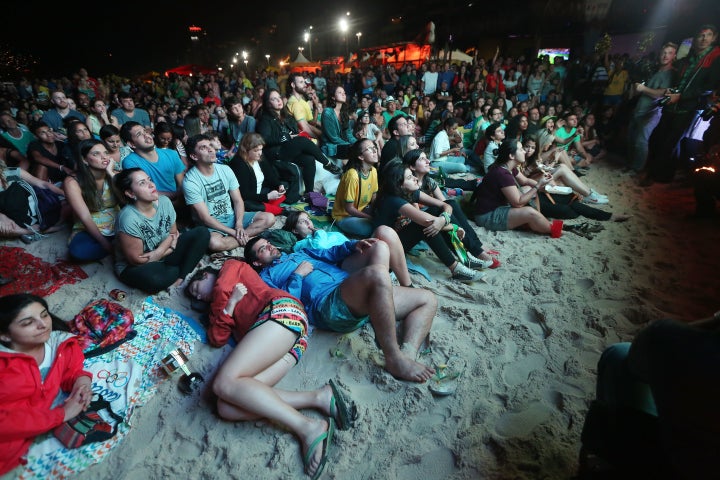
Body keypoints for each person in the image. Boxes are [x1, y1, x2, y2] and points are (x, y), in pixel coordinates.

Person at [184, 259, 354, 479]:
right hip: (290, 343)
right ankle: (318, 398)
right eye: (195, 297)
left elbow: (223, 286)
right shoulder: (222, 307)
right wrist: (229, 305)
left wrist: (226, 305)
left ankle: (307, 427)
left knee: (223, 383)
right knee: (226, 407)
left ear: (206, 275)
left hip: (282, 313)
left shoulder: (230, 267)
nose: (198, 297)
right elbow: (217, 338)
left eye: (196, 289)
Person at [245, 235, 436, 382]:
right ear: (257, 262)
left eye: (268, 242)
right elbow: (287, 304)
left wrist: (352, 245)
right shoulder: (265, 278)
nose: (270, 246)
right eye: (263, 248)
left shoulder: (298, 253)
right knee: (377, 273)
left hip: (352, 288)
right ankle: (394, 357)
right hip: (328, 304)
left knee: (428, 298)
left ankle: (408, 352)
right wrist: (297, 275)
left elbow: (328, 253)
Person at [580, 310, 720, 479]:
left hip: (679, 464)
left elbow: (644, 350)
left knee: (617, 357)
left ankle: (606, 459)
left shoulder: (665, 338)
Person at [0, 293, 93, 477]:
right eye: (27, 323)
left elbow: (71, 368)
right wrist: (61, 414)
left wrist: (81, 380)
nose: (43, 324)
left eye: (44, 314)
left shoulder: (61, 345)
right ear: (4, 335)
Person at [371, 161, 487, 282]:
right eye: (410, 177)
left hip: (403, 236)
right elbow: (427, 222)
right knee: (424, 227)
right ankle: (456, 268)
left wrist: (443, 219)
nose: (416, 179)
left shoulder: (409, 192)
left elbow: (445, 205)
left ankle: (465, 257)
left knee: (438, 210)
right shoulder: (393, 200)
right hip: (388, 247)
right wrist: (454, 227)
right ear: (399, 185)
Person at [642, 25, 720, 185]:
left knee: (669, 143)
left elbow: (709, 86)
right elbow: (679, 81)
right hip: (671, 105)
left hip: (687, 108)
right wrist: (673, 91)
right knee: (658, 138)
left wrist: (682, 96)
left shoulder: (713, 59)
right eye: (701, 35)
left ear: (714, 38)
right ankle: (663, 173)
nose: (704, 38)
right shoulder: (688, 59)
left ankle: (655, 175)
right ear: (696, 38)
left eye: (708, 35)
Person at [113, 167, 210, 293]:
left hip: (162, 252)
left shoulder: (164, 202)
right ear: (131, 193)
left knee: (202, 233)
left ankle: (180, 278)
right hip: (137, 266)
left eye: (149, 180)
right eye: (142, 183)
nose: (151, 184)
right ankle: (184, 267)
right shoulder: (128, 218)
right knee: (156, 280)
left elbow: (173, 233)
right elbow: (137, 260)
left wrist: (161, 251)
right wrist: (169, 248)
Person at [402, 149, 500, 268]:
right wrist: (449, 222)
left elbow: (446, 204)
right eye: (422, 159)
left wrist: (446, 218)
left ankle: (477, 246)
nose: (428, 161)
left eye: (426, 158)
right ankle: (476, 251)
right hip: (423, 224)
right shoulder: (410, 187)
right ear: (412, 166)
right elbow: (418, 216)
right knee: (444, 212)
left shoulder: (429, 181)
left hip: (436, 221)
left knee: (451, 204)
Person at [183, 134, 275, 253]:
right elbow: (205, 218)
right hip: (212, 225)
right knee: (214, 243)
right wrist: (233, 232)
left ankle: (238, 239)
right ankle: (248, 238)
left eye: (210, 145)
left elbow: (238, 200)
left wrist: (239, 224)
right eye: (203, 148)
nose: (211, 149)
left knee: (269, 218)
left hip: (231, 216)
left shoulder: (225, 169)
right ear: (194, 156)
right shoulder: (190, 181)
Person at [283, 210, 414, 287]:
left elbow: (346, 242)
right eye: (302, 222)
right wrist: (319, 232)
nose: (308, 223)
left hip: (355, 253)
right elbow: (320, 247)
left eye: (308, 219)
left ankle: (408, 286)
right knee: (380, 246)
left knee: (385, 231)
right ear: (295, 230)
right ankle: (379, 292)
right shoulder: (300, 245)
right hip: (341, 263)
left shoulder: (326, 233)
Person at [256, 89, 341, 196]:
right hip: (276, 152)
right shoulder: (265, 119)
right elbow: (264, 139)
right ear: (268, 103)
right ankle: (327, 164)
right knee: (302, 141)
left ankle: (309, 193)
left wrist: (293, 133)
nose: (279, 100)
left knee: (309, 160)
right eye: (274, 99)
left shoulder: (285, 116)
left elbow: (294, 130)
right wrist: (287, 136)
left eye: (279, 97)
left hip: (287, 150)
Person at [472, 138, 563, 237]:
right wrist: (538, 186)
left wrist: (544, 184)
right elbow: (518, 203)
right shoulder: (502, 174)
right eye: (520, 149)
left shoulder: (508, 167)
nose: (524, 151)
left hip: (496, 207)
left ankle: (539, 219)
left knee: (529, 189)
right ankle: (553, 230)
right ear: (511, 156)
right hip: (487, 216)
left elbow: (525, 181)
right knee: (530, 212)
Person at [63, 139, 120, 262]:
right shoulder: (72, 182)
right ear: (84, 160)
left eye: (105, 152)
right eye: (96, 154)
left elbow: (127, 201)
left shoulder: (114, 175)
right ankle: (118, 245)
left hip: (117, 220)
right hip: (91, 225)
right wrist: (107, 246)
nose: (104, 157)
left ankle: (120, 244)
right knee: (77, 252)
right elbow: (85, 217)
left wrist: (111, 174)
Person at [626, 42, 678, 173]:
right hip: (639, 109)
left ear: (674, 56)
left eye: (669, 53)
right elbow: (645, 90)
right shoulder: (656, 70)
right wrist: (637, 89)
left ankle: (637, 169)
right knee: (631, 139)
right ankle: (630, 165)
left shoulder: (671, 74)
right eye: (663, 52)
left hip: (652, 113)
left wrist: (643, 88)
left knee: (640, 141)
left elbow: (661, 94)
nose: (665, 55)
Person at [120, 121, 186, 207]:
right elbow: (143, 192)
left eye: (145, 131)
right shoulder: (130, 162)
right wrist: (174, 195)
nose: (146, 135)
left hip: (178, 202)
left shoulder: (172, 154)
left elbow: (181, 184)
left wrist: (179, 199)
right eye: (139, 134)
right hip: (151, 206)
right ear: (132, 144)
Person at [230, 132, 292, 214]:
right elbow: (243, 194)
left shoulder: (259, 157)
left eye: (261, 149)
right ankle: (279, 211)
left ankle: (268, 208)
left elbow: (270, 175)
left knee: (284, 186)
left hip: (259, 193)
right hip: (246, 198)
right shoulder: (239, 164)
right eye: (256, 150)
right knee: (248, 205)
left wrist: (279, 185)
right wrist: (267, 197)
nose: (260, 153)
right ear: (245, 150)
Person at [331, 139, 379, 238]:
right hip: (345, 217)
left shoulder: (373, 171)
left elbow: (374, 197)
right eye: (370, 149)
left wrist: (378, 211)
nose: (375, 151)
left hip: (363, 210)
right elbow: (349, 209)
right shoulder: (352, 175)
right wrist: (370, 217)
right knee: (374, 228)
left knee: (387, 218)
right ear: (361, 156)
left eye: (374, 147)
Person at [320, 85, 356, 160]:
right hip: (332, 147)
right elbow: (334, 138)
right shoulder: (327, 112)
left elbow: (349, 134)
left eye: (344, 93)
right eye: (340, 92)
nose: (343, 94)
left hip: (344, 145)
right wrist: (351, 145)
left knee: (364, 146)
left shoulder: (344, 113)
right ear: (333, 97)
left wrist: (358, 143)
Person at [219, 95, 256, 160]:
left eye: (239, 106)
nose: (238, 110)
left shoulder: (250, 120)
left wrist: (234, 153)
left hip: (249, 152)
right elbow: (234, 142)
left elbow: (249, 141)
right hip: (237, 152)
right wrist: (230, 151)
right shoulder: (232, 124)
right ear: (230, 112)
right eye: (234, 108)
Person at [286, 73, 322, 139]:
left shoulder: (303, 102)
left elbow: (312, 123)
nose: (305, 85)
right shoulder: (294, 103)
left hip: (308, 138)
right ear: (293, 85)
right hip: (300, 140)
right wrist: (320, 137)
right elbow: (304, 129)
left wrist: (315, 106)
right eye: (301, 82)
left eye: (304, 82)